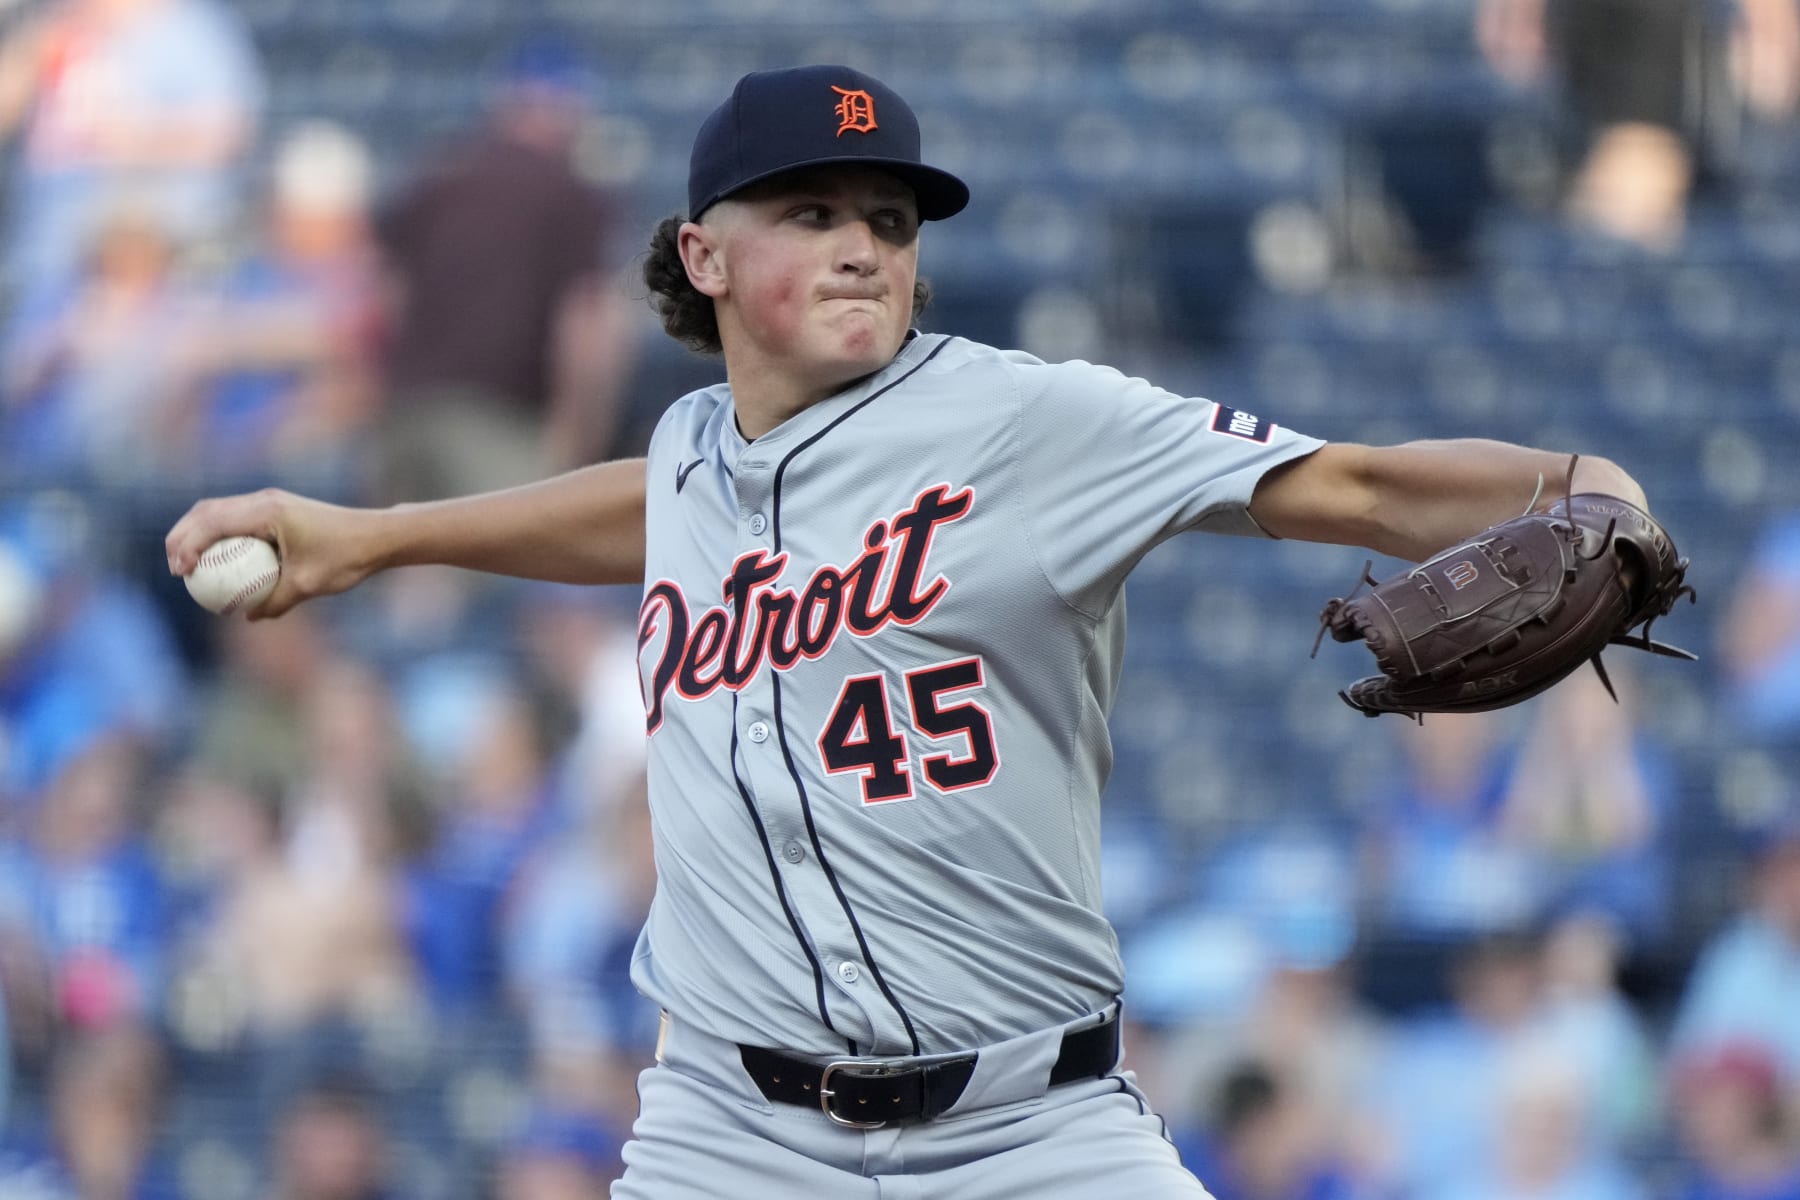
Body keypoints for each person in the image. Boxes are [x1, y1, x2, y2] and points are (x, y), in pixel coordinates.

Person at [166, 63, 1665, 1197]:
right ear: (701, 257)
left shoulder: (1029, 417)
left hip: (1031, 1126)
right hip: (731, 1135)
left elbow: (1348, 481)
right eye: (810, 211)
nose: (861, 245)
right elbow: (646, 508)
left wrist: (1575, 482)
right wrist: (371, 539)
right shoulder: (695, 448)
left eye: (886, 219)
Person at [375, 34, 636, 502]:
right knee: (532, 556)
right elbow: (589, 325)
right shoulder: (569, 193)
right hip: (495, 425)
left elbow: (384, 296)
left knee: (414, 563)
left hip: (405, 413)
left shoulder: (441, 175)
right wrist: (577, 440)